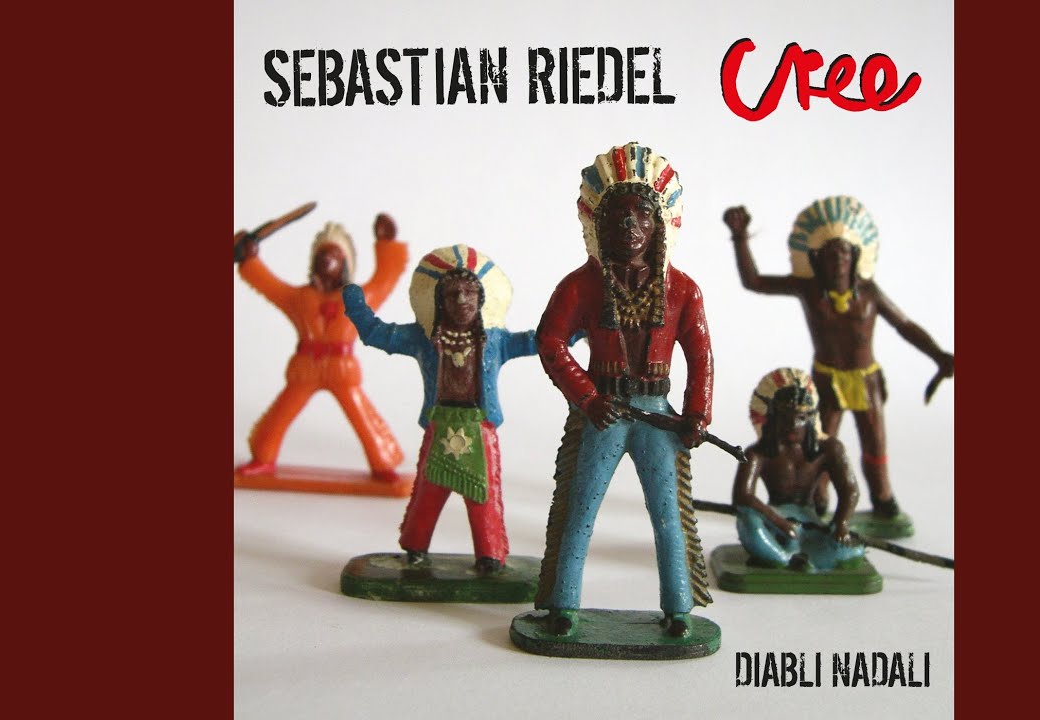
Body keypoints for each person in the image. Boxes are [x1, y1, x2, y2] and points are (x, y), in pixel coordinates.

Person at [533, 141, 713, 638]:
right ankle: (563, 604)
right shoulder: (581, 285)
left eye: (642, 216)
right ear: (598, 225)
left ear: (659, 226)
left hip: (657, 413)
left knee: (668, 514)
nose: (629, 226)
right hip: (605, 412)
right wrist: (588, 398)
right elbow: (549, 341)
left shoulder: (683, 290)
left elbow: (701, 357)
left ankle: (679, 608)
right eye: (616, 216)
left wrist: (696, 414)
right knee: (580, 508)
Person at [724, 198, 953, 529]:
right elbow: (755, 282)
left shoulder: (869, 293)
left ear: (856, 256)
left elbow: (905, 326)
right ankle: (818, 501)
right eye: (830, 255)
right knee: (817, 444)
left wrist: (938, 354)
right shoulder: (808, 289)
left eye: (844, 253)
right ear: (817, 259)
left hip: (866, 380)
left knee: (875, 442)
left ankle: (883, 499)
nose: (838, 261)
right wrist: (740, 237)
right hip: (826, 380)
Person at [343, 245, 535, 574]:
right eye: (452, 294)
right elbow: (377, 334)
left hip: (479, 427)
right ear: (439, 301)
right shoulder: (423, 338)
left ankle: (490, 554)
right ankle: (415, 547)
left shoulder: (495, 340)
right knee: (427, 492)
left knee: (484, 495)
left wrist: (576, 327)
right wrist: (354, 301)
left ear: (482, 299)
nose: (461, 300)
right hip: (440, 423)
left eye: (469, 293)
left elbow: (537, 341)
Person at [236, 214, 406, 476]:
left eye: (335, 255)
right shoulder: (299, 298)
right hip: (306, 368)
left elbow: (385, 278)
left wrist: (386, 243)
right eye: (322, 255)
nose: (327, 260)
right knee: (280, 414)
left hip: (342, 370)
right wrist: (249, 259)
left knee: (362, 416)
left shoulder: (359, 298)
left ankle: (383, 463)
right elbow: (269, 285)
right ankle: (263, 457)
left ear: (345, 263)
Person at [734, 368, 864, 571]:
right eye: (785, 417)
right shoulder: (758, 453)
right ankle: (784, 558)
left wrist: (841, 523)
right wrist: (779, 522)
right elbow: (743, 496)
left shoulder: (829, 449)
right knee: (748, 521)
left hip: (811, 522)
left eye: (801, 418)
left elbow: (850, 490)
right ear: (774, 418)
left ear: (811, 418)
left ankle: (805, 558)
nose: (793, 424)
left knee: (849, 549)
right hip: (773, 520)